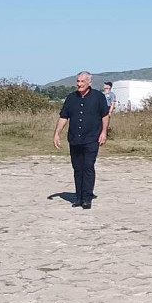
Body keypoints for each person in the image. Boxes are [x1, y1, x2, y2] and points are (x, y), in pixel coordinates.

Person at [52, 72, 110, 209]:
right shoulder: (71, 98)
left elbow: (105, 116)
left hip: (91, 138)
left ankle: (87, 198)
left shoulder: (98, 97)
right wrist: (56, 134)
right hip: (75, 139)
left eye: (83, 81)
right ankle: (78, 198)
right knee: (77, 168)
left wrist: (104, 132)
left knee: (88, 167)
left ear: (89, 83)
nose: (79, 84)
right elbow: (63, 117)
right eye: (78, 81)